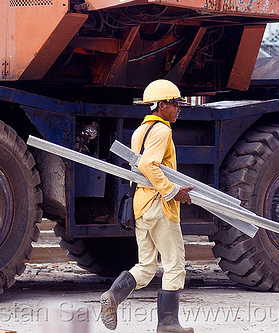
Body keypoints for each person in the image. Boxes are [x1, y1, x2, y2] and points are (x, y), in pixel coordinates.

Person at [100, 79, 194, 333]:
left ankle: (113, 296)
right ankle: (168, 323)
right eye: (174, 104)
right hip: (159, 205)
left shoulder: (139, 132)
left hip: (141, 205)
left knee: (147, 266)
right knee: (175, 264)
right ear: (161, 105)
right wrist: (174, 191)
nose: (178, 109)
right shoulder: (162, 131)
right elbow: (148, 165)